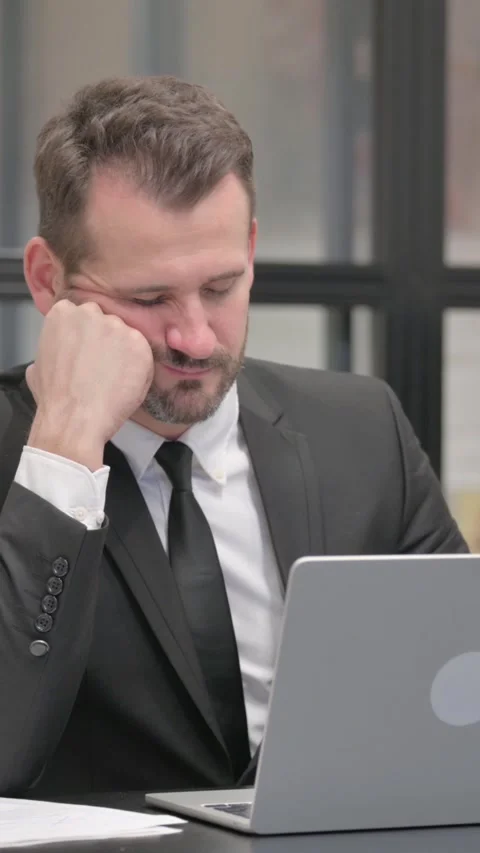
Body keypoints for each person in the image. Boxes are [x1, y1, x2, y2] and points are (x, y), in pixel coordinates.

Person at [0, 76, 467, 799]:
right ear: (47, 279)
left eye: (221, 286)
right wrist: (63, 446)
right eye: (149, 299)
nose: (194, 337)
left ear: (251, 247)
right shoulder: (22, 456)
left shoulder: (363, 431)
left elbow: (459, 701)